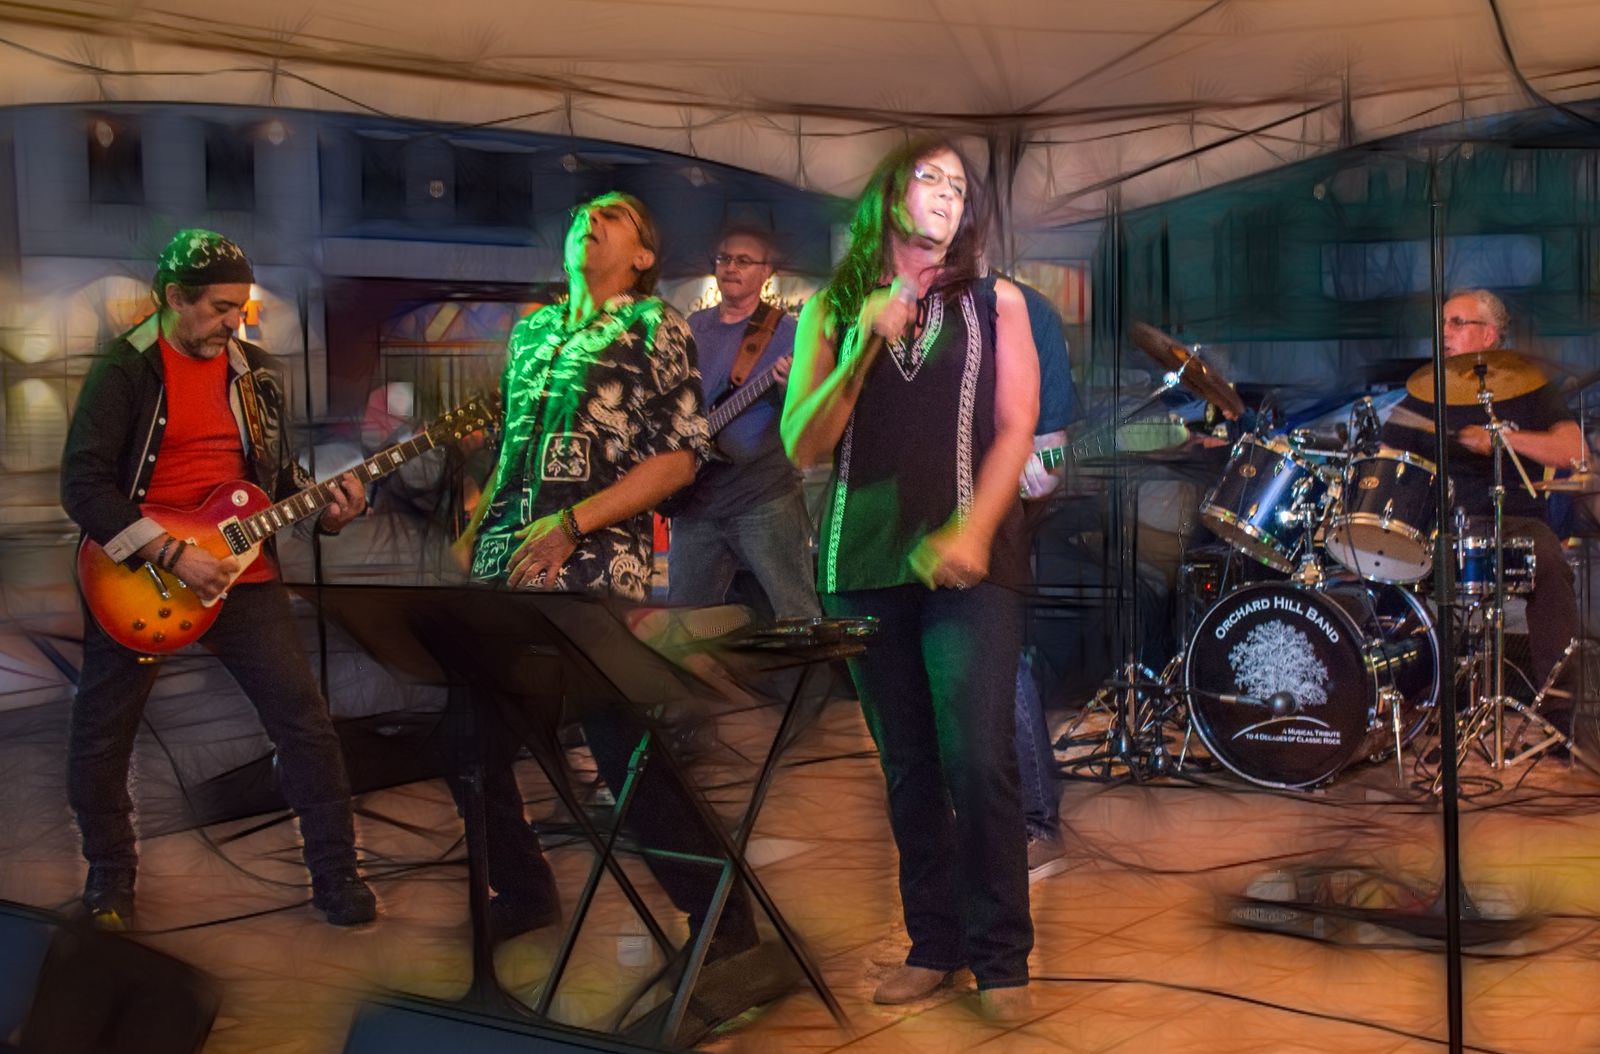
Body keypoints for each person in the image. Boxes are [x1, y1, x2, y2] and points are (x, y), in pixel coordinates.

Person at [458, 192, 789, 1032]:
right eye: (581, 216)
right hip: (506, 568)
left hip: (594, 568)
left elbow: (678, 460)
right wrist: (477, 529)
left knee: (622, 752)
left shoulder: (654, 327)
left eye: (611, 217)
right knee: (469, 737)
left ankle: (722, 921)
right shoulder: (534, 332)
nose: (589, 222)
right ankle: (523, 891)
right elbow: (516, 452)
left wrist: (571, 526)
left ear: (643, 255)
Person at [782, 139, 1040, 1018]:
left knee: (978, 757)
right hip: (862, 562)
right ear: (889, 193)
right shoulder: (830, 309)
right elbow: (803, 445)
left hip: (972, 566)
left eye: (959, 185)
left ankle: (1001, 959)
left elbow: (1017, 427)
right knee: (908, 769)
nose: (946, 194)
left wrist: (973, 531)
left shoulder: (997, 302)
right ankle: (934, 943)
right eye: (930, 177)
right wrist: (862, 343)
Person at [60, 229, 377, 929]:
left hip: (243, 573)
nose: (235, 322)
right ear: (175, 297)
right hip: (140, 577)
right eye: (221, 308)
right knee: (104, 735)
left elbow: (274, 477)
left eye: (242, 307)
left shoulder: (255, 373)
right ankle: (110, 876)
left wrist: (327, 508)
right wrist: (173, 555)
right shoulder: (126, 370)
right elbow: (83, 487)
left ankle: (337, 874)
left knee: (304, 723)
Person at [1382, 288, 1584, 696]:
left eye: (1457, 323)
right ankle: (1409, 694)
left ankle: (1559, 708)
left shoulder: (1530, 388)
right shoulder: (1426, 391)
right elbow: (1386, 458)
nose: (1444, 332)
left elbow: (1574, 451)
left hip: (1517, 520)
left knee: (1550, 566)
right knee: (1381, 563)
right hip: (1441, 524)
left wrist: (1501, 439)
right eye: (1442, 323)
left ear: (1489, 334)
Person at [667, 228, 821, 621]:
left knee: (797, 614)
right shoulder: (693, 326)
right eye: (724, 259)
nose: (731, 267)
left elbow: (809, 412)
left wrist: (789, 388)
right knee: (682, 622)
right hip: (697, 501)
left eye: (743, 260)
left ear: (766, 271)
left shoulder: (789, 332)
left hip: (764, 497)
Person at [1011, 280, 1075, 878]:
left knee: (1000, 659)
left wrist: (1039, 470)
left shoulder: (1028, 309)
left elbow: (1052, 454)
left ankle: (1037, 823)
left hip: (991, 519)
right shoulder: (906, 306)